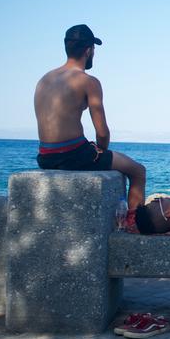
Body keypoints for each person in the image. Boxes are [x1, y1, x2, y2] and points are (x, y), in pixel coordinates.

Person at [34, 25, 146, 210]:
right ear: (88, 50)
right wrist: (100, 151)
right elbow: (102, 133)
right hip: (73, 155)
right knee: (138, 171)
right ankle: (133, 222)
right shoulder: (88, 82)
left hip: (45, 157)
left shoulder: (45, 79)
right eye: (94, 50)